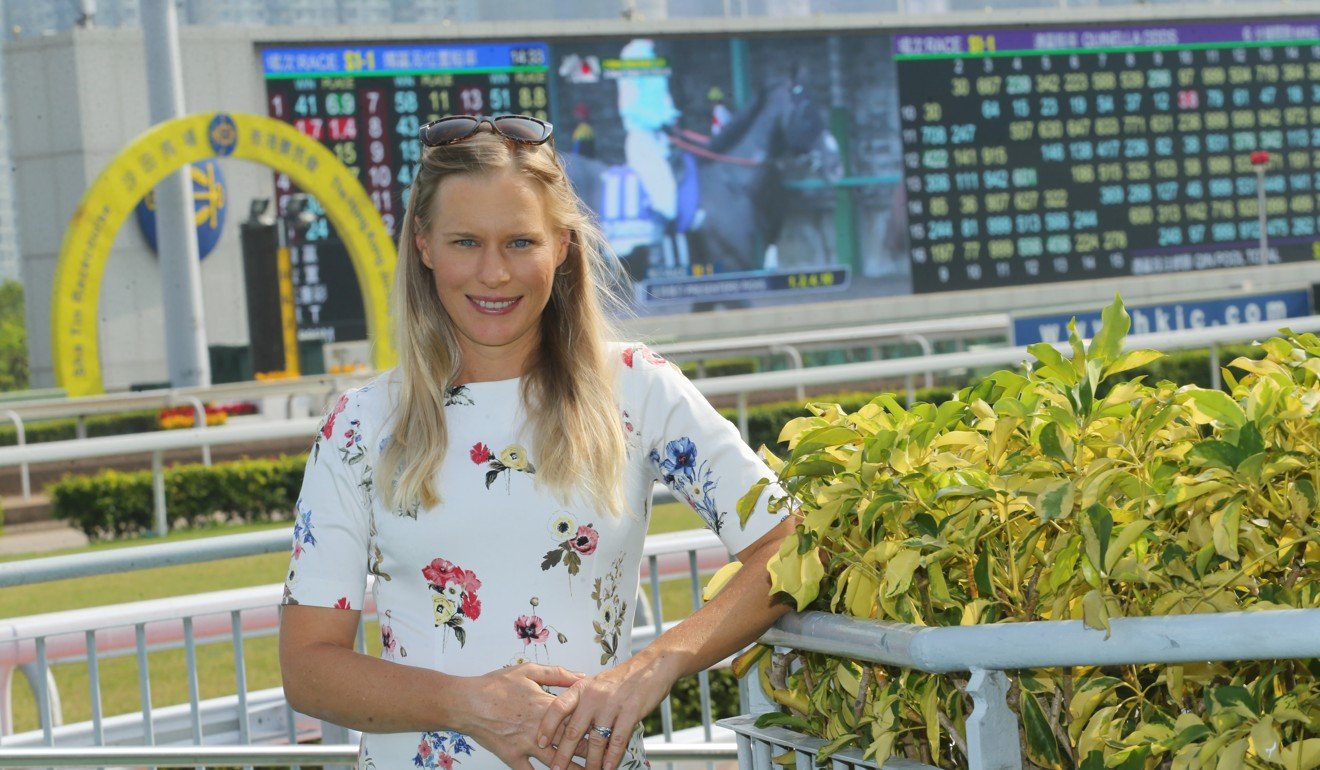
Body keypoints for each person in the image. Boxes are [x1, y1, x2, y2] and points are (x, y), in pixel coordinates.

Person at [279, 113, 797, 770]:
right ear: (424, 245)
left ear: (561, 244)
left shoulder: (637, 387)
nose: (494, 273)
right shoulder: (358, 424)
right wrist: (467, 704)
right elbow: (309, 669)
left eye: (520, 243)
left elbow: (788, 543)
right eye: (466, 241)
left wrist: (650, 668)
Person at [615, 38, 680, 225]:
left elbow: (663, 99)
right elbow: (629, 107)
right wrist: (659, 121)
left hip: (662, 138)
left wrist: (670, 117)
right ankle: (656, 242)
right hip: (642, 140)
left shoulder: (654, 57)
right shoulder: (632, 55)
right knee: (665, 192)